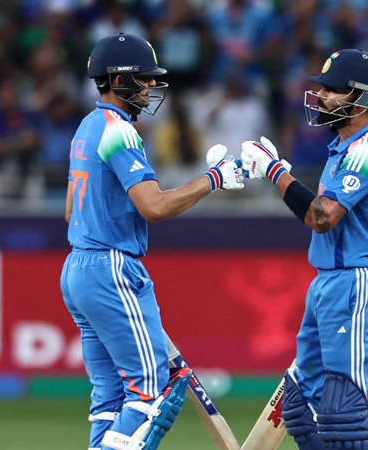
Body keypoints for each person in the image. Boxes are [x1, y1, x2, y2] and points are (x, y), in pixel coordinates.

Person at [59, 33, 243, 450]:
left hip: (78, 267)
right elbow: (154, 207)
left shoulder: (86, 128)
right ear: (118, 80)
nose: (151, 86)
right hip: (111, 268)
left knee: (110, 399)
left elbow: (71, 210)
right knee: (152, 393)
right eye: (143, 78)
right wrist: (214, 179)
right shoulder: (119, 131)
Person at [241, 48, 368, 450]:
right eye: (322, 89)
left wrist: (275, 171)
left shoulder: (366, 151)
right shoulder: (342, 148)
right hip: (326, 282)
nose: (322, 97)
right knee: (300, 406)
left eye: (333, 90)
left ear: (361, 98)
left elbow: (323, 218)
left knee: (344, 413)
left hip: (357, 283)